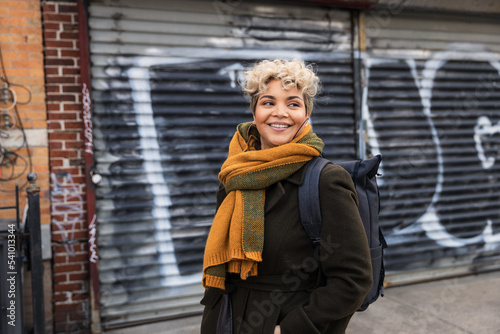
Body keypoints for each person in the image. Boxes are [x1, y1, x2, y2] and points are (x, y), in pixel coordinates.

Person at [200, 59, 372, 334]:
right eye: (268, 102)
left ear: (306, 115)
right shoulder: (236, 172)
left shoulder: (326, 180)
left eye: (293, 103)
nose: (280, 113)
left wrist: (292, 328)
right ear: (254, 111)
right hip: (226, 318)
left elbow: (353, 280)